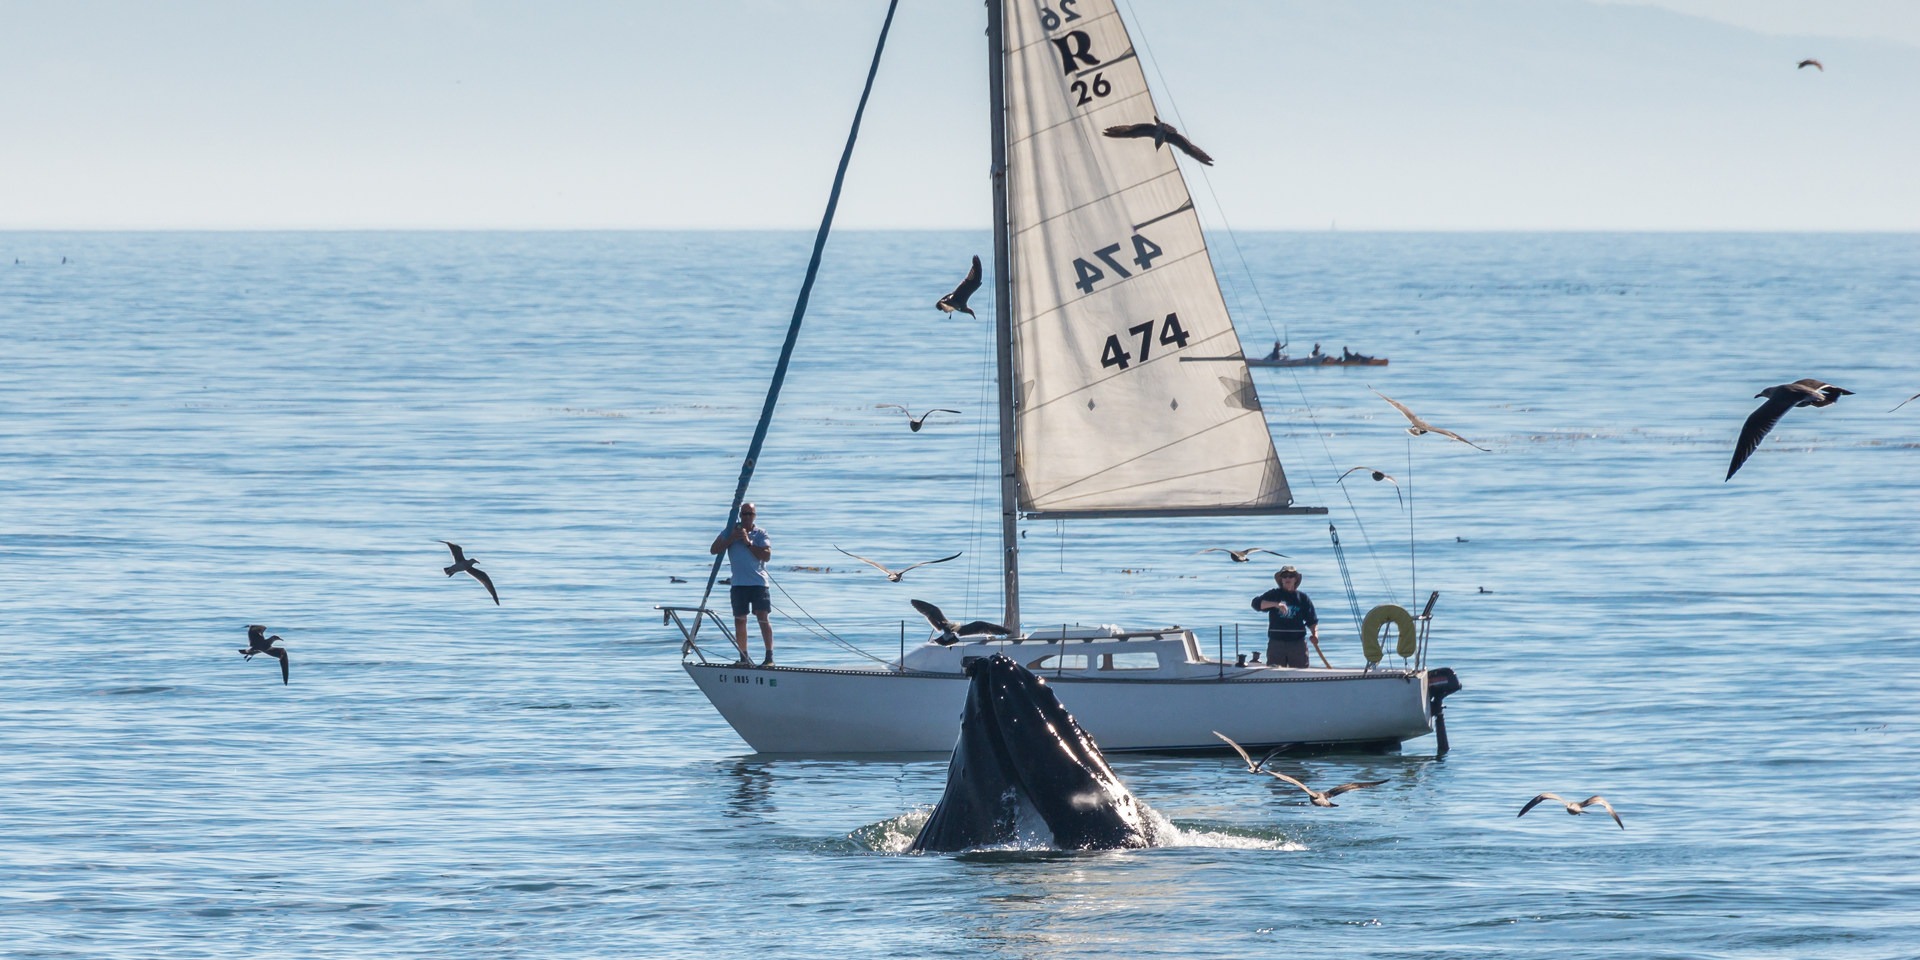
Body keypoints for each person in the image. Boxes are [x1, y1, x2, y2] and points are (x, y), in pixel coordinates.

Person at [710, 502, 774, 665]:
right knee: (740, 619)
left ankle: (769, 656)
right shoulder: (731, 530)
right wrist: (731, 538)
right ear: (740, 515)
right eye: (744, 514)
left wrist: (747, 542)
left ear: (754, 516)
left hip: (758, 583)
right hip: (739, 584)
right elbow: (714, 549)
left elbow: (766, 556)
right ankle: (743, 656)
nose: (746, 517)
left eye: (749, 514)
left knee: (762, 617)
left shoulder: (760, 534)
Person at [1250, 565, 1319, 668]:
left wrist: (1315, 634)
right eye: (1284, 576)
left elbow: (1311, 620)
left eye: (1290, 576)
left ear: (1295, 579)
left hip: (1297, 643)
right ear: (1281, 579)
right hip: (1277, 643)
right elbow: (1256, 604)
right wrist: (1275, 604)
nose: (1287, 578)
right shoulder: (1274, 594)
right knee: (1274, 674)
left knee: (1300, 674)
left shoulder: (1302, 598)